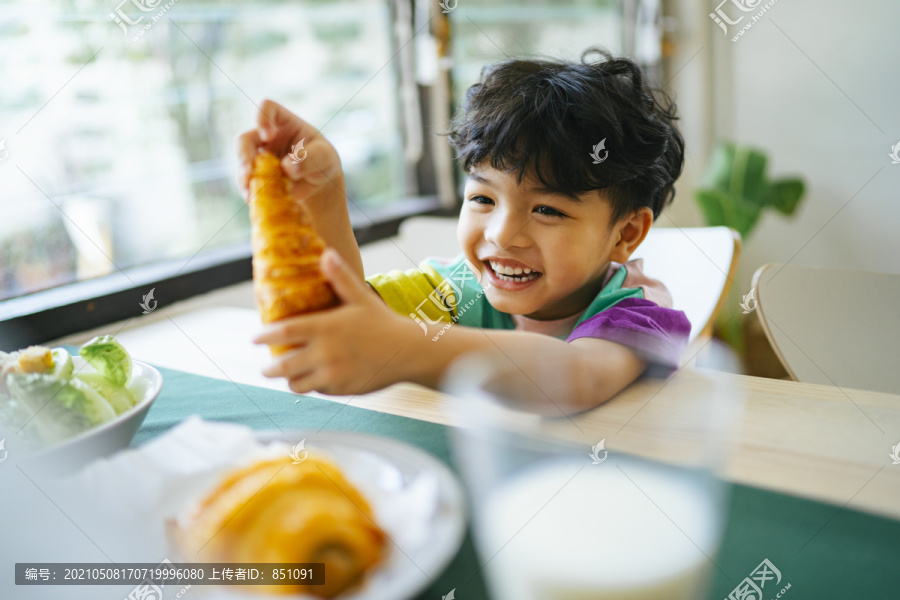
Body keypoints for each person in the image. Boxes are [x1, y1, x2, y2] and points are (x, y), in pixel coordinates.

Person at [236, 49, 690, 415]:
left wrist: (408, 348)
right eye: (483, 199)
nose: (502, 234)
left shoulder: (638, 311)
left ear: (625, 233)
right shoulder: (459, 290)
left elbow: (576, 376)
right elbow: (342, 312)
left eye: (548, 209)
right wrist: (323, 194)